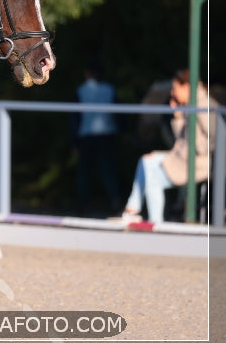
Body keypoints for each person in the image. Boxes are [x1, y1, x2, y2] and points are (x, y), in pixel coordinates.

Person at [122, 69, 218, 224]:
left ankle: (153, 220)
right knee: (146, 160)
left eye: (175, 88)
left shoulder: (202, 105)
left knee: (152, 175)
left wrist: (200, 149)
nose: (173, 93)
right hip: (183, 156)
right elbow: (182, 140)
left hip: (198, 163)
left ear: (186, 87)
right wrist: (178, 116)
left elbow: (217, 136)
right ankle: (133, 209)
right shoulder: (192, 104)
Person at [73, 61, 121, 215]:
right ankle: (116, 201)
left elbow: (74, 118)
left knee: (84, 173)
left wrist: (73, 142)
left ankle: (83, 204)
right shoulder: (110, 90)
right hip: (107, 135)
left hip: (86, 136)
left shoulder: (80, 91)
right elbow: (119, 115)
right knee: (108, 170)